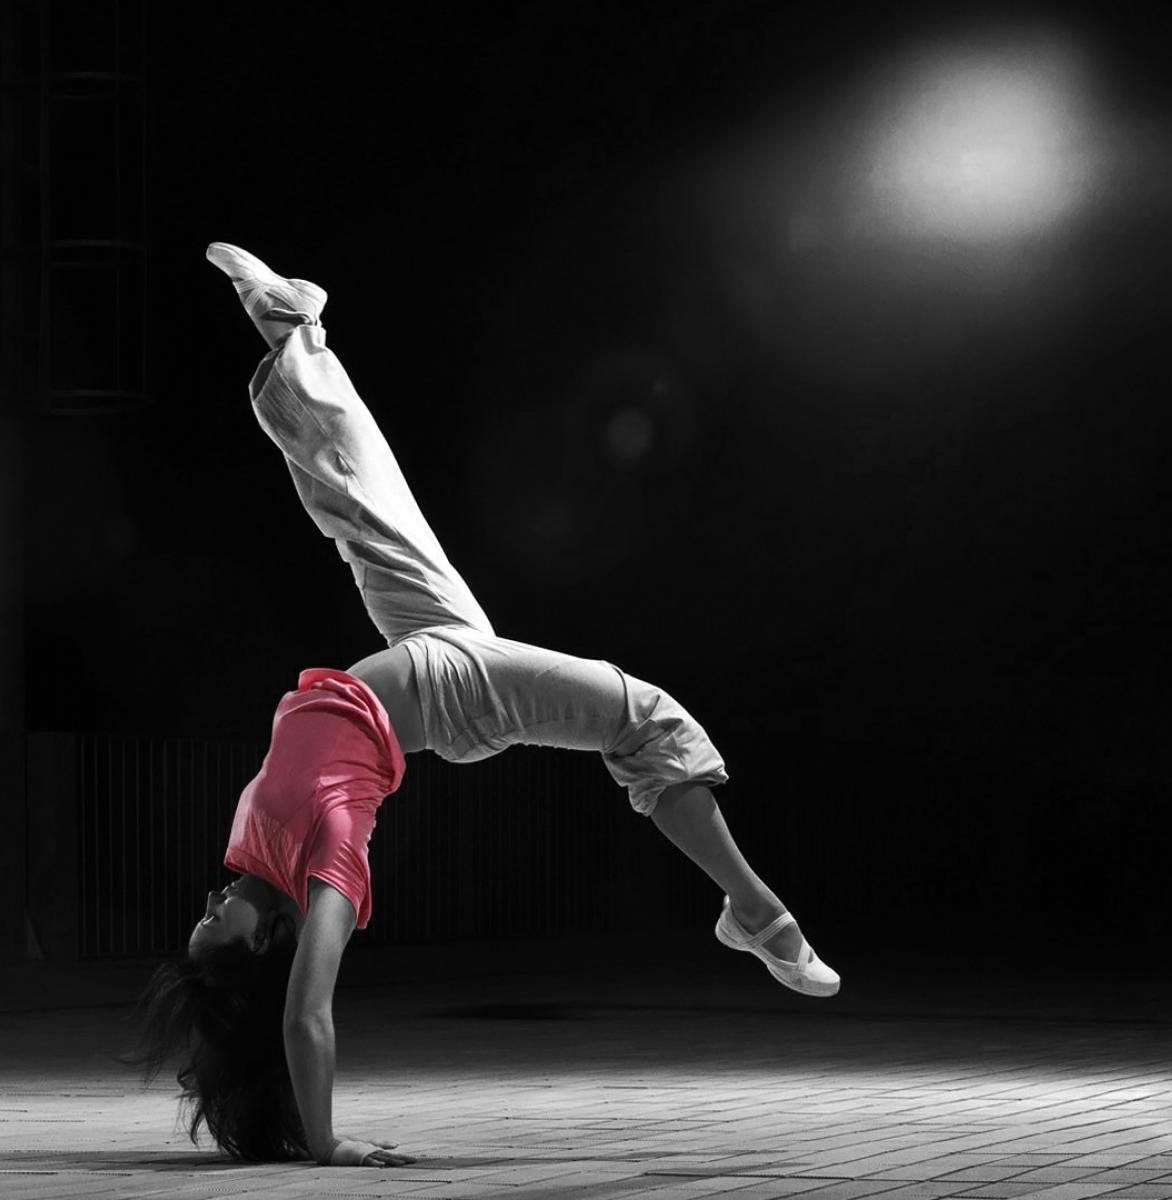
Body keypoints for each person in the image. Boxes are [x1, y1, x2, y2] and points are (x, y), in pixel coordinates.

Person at [127, 243, 838, 1168]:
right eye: (212, 920)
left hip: (426, 656)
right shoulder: (327, 863)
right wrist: (327, 1144)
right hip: (457, 695)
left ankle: (293, 332)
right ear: (260, 942)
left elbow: (266, 983)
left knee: (359, 503)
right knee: (647, 718)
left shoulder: (250, 854)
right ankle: (754, 911)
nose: (210, 898)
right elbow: (306, 1015)